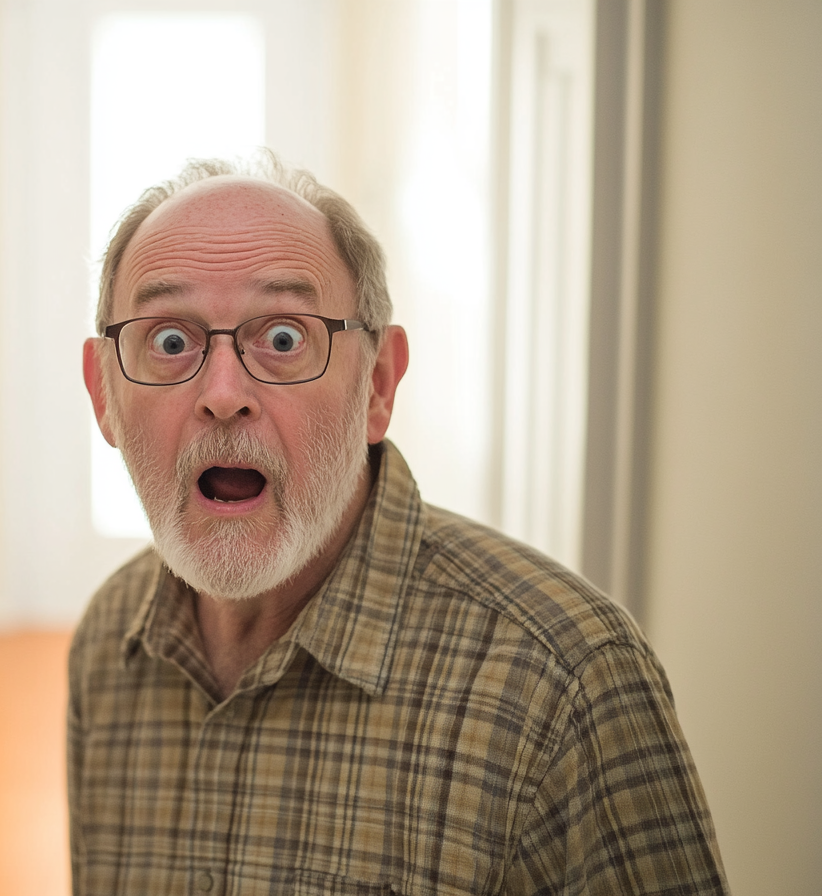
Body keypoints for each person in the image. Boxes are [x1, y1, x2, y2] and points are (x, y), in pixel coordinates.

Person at [69, 152, 727, 895]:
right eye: (168, 341)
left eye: (284, 338)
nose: (224, 394)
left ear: (378, 386)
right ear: (105, 397)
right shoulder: (107, 647)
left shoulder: (568, 685)